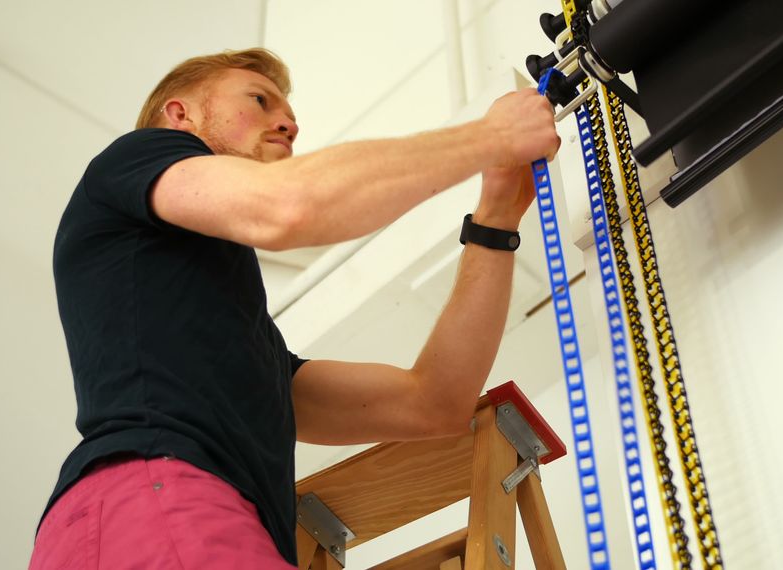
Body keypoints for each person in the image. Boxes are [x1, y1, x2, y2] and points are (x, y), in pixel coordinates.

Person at [29, 48, 559, 569]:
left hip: (171, 514)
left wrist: (497, 217)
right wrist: (490, 138)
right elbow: (288, 206)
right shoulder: (136, 158)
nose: (287, 124)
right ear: (179, 114)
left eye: (290, 116)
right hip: (151, 500)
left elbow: (435, 402)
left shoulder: (245, 355)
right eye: (260, 100)